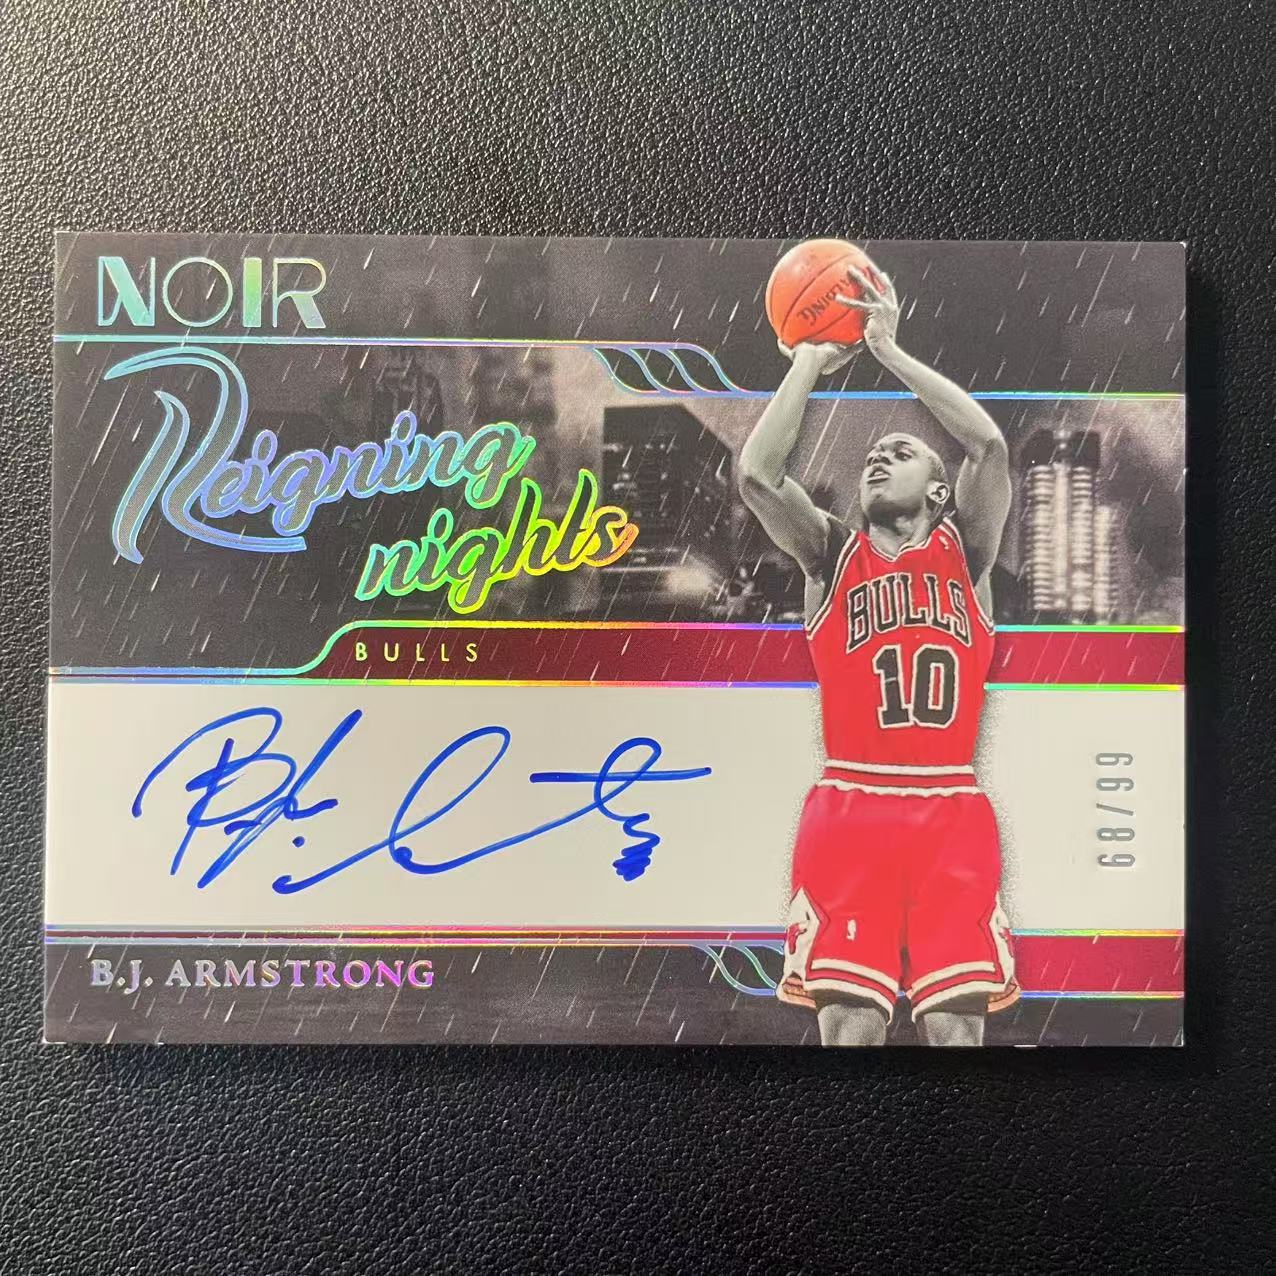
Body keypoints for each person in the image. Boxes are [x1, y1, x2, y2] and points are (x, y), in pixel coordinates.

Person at [738, 263, 1017, 1046]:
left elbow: (988, 444)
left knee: (956, 1036)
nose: (876, 459)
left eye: (900, 451)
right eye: (870, 458)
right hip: (851, 807)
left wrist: (888, 351)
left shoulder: (968, 556)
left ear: (940, 492)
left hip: (950, 807)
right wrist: (808, 360)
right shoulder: (831, 554)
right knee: (851, 1030)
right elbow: (757, 475)